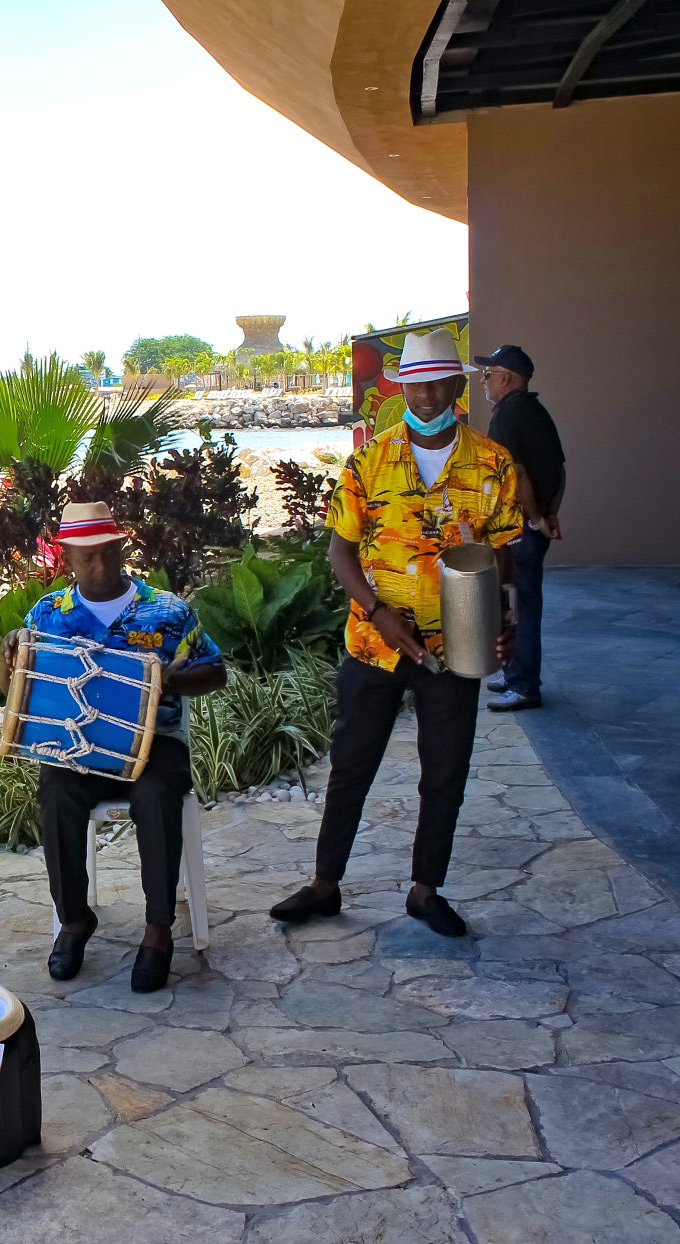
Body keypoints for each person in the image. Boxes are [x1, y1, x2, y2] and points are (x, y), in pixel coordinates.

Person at [270, 328, 522, 938]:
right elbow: (340, 554)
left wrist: (501, 620)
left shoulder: (492, 463)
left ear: (456, 385)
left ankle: (425, 890)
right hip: (373, 645)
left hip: (456, 645)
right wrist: (378, 611)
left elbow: (505, 557)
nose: (427, 395)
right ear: (402, 387)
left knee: (445, 772)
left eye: (438, 383)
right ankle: (324, 884)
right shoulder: (368, 461)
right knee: (351, 766)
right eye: (415, 385)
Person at [0, 502, 226, 993]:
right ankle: (74, 920)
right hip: (77, 747)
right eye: (87, 556)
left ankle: (158, 929)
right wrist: (7, 654)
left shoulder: (167, 610)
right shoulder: (47, 615)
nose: (99, 565)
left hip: (154, 744)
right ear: (67, 558)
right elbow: (15, 687)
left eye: (107, 553)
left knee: (157, 795)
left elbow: (216, 671)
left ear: (121, 548)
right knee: (55, 791)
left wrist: (172, 681)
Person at [476, 344, 565, 712]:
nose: (483, 381)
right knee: (518, 601)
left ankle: (524, 685)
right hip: (531, 523)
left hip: (519, 528)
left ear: (507, 378)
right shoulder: (534, 410)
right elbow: (559, 470)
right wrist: (549, 514)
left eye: (488, 375)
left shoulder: (507, 415)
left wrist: (534, 519)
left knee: (519, 604)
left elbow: (516, 473)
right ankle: (515, 673)